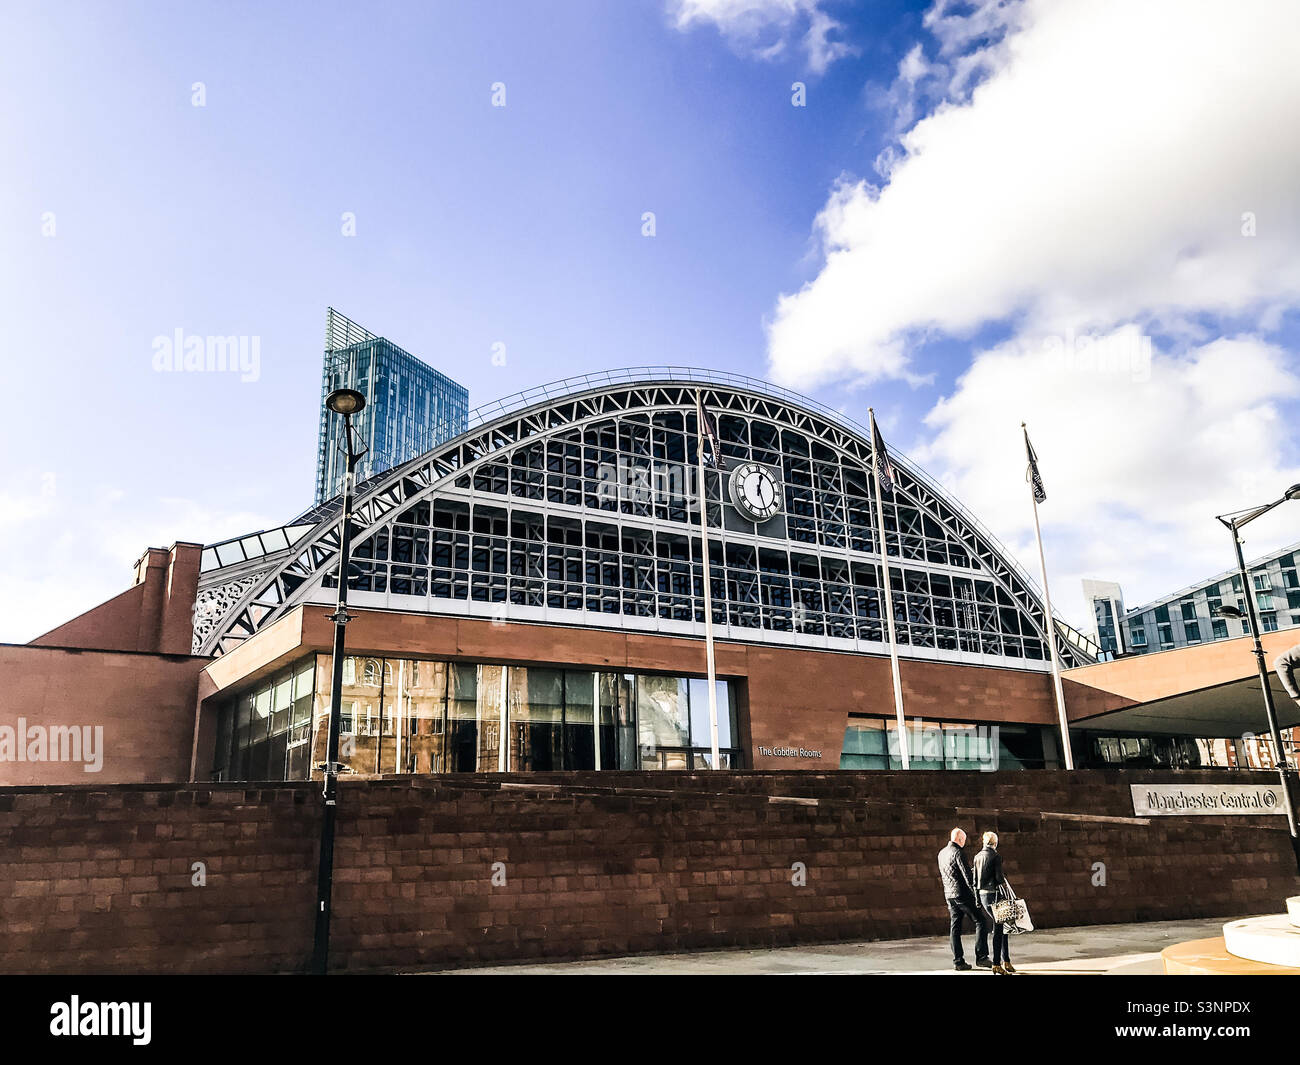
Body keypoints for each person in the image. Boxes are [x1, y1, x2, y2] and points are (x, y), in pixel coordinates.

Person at [937, 827, 989, 971]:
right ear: (960, 839)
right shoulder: (958, 852)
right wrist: (976, 895)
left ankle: (958, 961)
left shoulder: (941, 853)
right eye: (964, 840)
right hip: (962, 895)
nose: (964, 843)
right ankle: (982, 957)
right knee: (981, 921)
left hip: (949, 895)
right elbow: (967, 877)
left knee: (955, 928)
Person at [973, 831, 1016, 975]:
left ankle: (1007, 960)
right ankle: (997, 964)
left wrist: (978, 900)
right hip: (995, 895)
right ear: (995, 843)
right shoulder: (996, 856)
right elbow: (999, 878)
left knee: (1001, 927)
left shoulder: (977, 856)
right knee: (999, 929)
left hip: (983, 896)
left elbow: (974, 881)